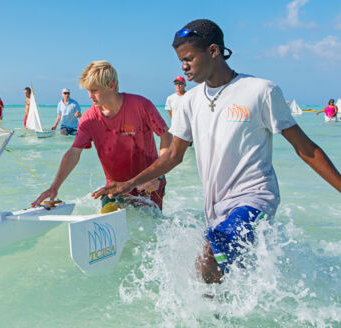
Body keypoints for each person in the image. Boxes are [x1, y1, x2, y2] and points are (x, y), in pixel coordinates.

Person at [93, 19, 341, 284]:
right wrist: (130, 183)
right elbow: (174, 155)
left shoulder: (260, 91)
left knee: (209, 258)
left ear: (213, 51)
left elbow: (305, 148)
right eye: (180, 60)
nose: (183, 67)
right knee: (224, 276)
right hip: (216, 208)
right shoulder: (188, 102)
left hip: (255, 198)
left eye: (189, 58)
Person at [32, 60, 172, 212]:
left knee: (149, 233)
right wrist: (54, 187)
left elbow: (166, 137)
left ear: (111, 86)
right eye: (88, 91)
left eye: (95, 90)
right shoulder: (89, 119)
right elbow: (74, 152)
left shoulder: (141, 106)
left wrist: (157, 176)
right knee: (105, 227)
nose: (90, 96)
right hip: (115, 189)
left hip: (149, 185)